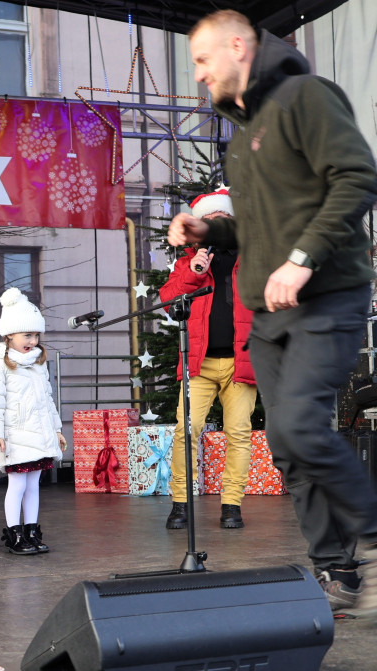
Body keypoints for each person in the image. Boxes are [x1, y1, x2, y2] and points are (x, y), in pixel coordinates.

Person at [170, 9, 377, 618]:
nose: (200, 76)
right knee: (287, 446)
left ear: (240, 46)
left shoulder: (305, 97)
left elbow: (358, 176)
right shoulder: (244, 136)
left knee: (304, 429)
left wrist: (304, 258)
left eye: (205, 61)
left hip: (324, 295)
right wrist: (208, 227)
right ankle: (337, 570)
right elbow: (257, 228)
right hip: (269, 315)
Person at [160, 188, 257, 530]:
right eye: (209, 220)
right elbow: (169, 300)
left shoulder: (254, 259)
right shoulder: (191, 261)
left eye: (222, 218)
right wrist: (196, 270)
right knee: (186, 430)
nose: (216, 224)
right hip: (198, 364)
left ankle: (232, 504)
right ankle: (181, 503)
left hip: (240, 362)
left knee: (238, 433)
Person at [0, 288, 66, 555]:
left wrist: (56, 429)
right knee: (17, 484)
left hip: (39, 435)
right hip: (16, 435)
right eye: (27, 335)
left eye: (36, 335)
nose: (33, 340)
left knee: (33, 485)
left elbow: (47, 399)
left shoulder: (38, 363)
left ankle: (31, 531)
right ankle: (15, 534)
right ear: (9, 334)